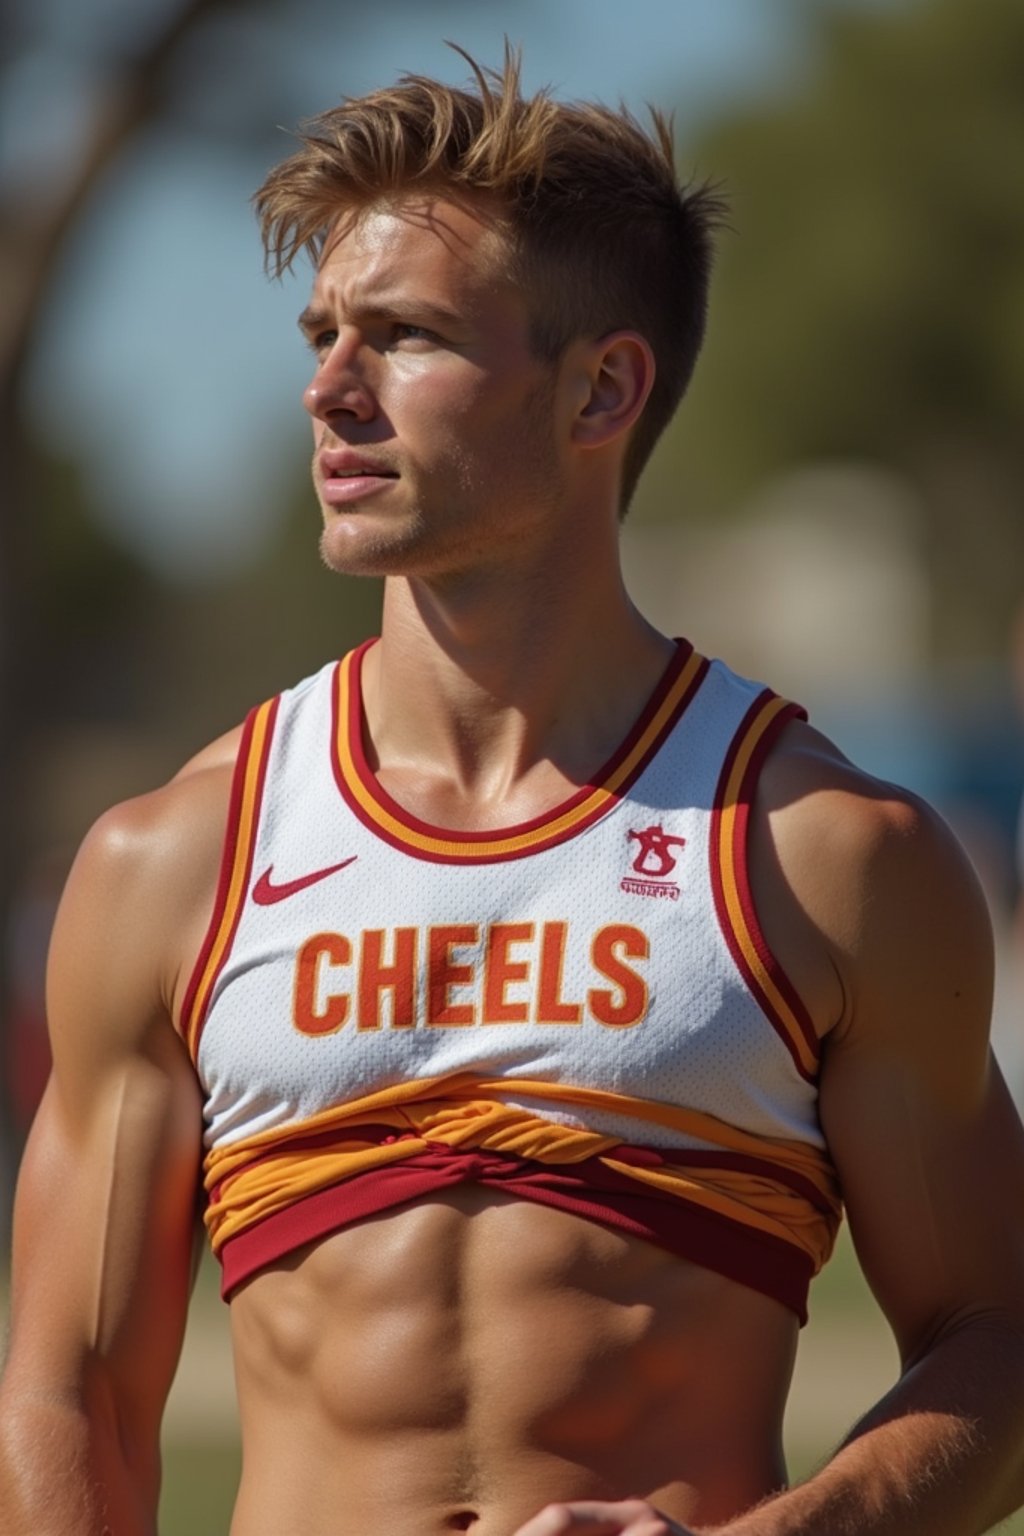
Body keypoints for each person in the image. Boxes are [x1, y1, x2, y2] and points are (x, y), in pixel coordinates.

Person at [2, 45, 1024, 1536]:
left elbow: (999, 1337)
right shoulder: (177, 855)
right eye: (322, 334)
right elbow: (66, 1386)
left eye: (404, 336)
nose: (328, 390)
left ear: (603, 387)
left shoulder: (827, 857)